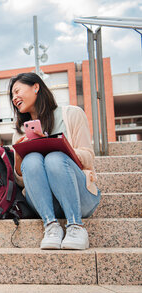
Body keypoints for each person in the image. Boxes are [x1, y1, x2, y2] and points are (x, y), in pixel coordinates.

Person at [9, 72, 101, 250]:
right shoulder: (21, 131)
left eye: (17, 91)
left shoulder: (72, 114)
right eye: (12, 95)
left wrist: (61, 148)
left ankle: (76, 226)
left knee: (54, 158)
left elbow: (89, 157)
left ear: (36, 87)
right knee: (32, 160)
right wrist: (20, 157)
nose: (14, 98)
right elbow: (21, 180)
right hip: (46, 204)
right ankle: (51, 226)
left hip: (80, 197)